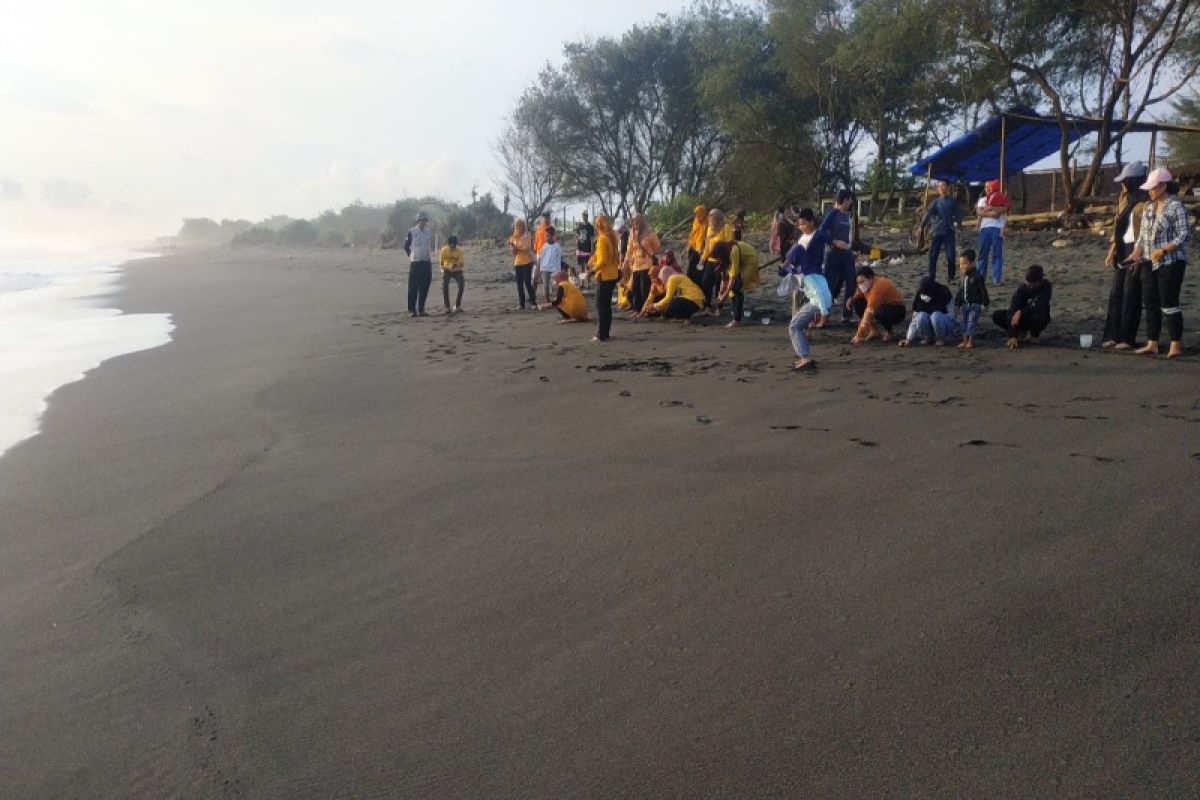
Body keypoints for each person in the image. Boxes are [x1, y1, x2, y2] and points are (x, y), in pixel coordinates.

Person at [1129, 168, 1190, 359]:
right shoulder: (1149, 207)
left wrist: (1163, 250)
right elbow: (1142, 236)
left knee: (1169, 301)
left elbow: (1184, 234)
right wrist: (1135, 254)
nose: (1150, 192)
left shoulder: (1175, 206)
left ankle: (1175, 344)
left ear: (1164, 186)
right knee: (1151, 302)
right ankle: (1152, 342)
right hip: (1148, 261)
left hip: (1171, 261)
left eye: (1153, 188)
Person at [1102, 163, 1148, 349]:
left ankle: (1126, 337)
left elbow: (1145, 231)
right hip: (1122, 247)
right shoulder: (1125, 199)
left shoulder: (1146, 201)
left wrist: (1139, 254)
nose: (1122, 185)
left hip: (1136, 248)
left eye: (1124, 181)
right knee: (1116, 293)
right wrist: (1111, 252)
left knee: (1131, 294)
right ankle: (1112, 334)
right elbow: (1117, 228)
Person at [993, 264, 1052, 349]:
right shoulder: (1022, 290)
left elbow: (1041, 305)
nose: (1030, 287)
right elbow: (1013, 308)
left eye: (1032, 284)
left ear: (1039, 282)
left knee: (1041, 316)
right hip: (1020, 319)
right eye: (1028, 284)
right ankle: (1019, 333)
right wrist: (1012, 335)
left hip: (1035, 316)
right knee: (998, 315)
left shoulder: (1046, 286)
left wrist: (1021, 312)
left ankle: (1034, 334)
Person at [820, 190, 857, 322]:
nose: (851, 202)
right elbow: (821, 231)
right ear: (845, 200)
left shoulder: (847, 216)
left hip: (846, 255)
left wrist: (851, 250)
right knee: (829, 284)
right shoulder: (832, 214)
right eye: (850, 200)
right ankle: (823, 314)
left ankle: (847, 314)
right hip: (833, 254)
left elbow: (847, 238)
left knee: (852, 282)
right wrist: (834, 241)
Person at [848, 265, 905, 344]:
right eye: (858, 283)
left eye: (862, 282)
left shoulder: (878, 288)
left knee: (883, 313)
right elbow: (859, 293)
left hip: (896, 308)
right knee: (858, 302)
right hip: (877, 306)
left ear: (870, 278)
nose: (860, 285)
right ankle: (873, 331)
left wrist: (859, 335)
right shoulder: (866, 285)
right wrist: (852, 299)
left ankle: (889, 332)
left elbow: (868, 314)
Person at [920, 180, 962, 282]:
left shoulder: (952, 201)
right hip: (936, 232)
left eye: (943, 185)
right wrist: (921, 227)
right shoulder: (935, 202)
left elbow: (958, 215)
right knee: (933, 255)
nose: (941, 188)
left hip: (949, 231)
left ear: (948, 187)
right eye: (939, 186)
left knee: (951, 255)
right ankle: (931, 276)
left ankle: (951, 277)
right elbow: (928, 215)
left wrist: (960, 227)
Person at [714, 239, 760, 328]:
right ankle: (736, 317)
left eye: (718, 257)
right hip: (741, 260)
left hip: (749, 260)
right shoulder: (725, 256)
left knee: (737, 287)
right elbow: (724, 277)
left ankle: (736, 320)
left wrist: (725, 295)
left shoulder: (733, 251)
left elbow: (732, 277)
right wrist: (720, 292)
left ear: (722, 254)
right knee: (733, 287)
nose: (717, 259)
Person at [900, 275, 956, 347]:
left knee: (935, 316)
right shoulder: (919, 296)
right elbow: (915, 319)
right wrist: (909, 339)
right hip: (928, 327)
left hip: (944, 325)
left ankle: (941, 338)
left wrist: (934, 318)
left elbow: (951, 316)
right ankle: (927, 337)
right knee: (921, 316)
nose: (924, 295)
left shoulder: (944, 293)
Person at [588, 215, 620, 341]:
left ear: (598, 226)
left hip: (605, 275)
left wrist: (592, 270)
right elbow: (612, 256)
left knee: (601, 305)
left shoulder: (602, 239)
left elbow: (603, 260)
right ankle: (606, 332)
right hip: (613, 274)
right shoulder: (612, 237)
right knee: (606, 306)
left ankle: (601, 334)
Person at [622, 213, 660, 316]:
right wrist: (626, 261)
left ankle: (646, 309)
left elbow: (657, 246)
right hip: (635, 265)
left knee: (645, 288)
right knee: (635, 288)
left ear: (641, 221)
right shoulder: (632, 233)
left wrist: (648, 252)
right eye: (633, 221)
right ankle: (637, 310)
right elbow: (629, 250)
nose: (635, 223)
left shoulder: (649, 232)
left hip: (647, 264)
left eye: (637, 221)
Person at [952, 249, 989, 349]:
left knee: (971, 322)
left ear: (971, 263)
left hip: (975, 305)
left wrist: (986, 304)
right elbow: (960, 292)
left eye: (965, 263)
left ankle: (970, 341)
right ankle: (964, 341)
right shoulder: (963, 278)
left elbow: (983, 291)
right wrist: (957, 304)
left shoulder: (977, 276)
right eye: (960, 264)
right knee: (963, 322)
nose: (962, 266)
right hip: (964, 305)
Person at [976, 179, 1010, 284]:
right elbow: (979, 213)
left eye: (989, 186)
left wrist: (991, 208)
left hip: (997, 228)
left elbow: (1003, 211)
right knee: (982, 253)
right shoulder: (982, 200)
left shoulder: (1000, 197)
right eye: (986, 187)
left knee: (997, 254)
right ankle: (981, 277)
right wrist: (992, 213)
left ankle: (996, 278)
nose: (988, 188)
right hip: (984, 228)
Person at [700, 208, 733, 311]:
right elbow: (707, 246)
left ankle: (719, 306)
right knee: (706, 283)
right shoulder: (710, 229)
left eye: (712, 219)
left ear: (718, 219)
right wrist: (702, 259)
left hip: (721, 260)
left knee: (720, 285)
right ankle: (707, 306)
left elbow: (729, 244)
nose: (710, 221)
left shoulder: (725, 227)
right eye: (709, 219)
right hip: (710, 260)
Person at [641, 270, 705, 322]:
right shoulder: (676, 277)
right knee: (670, 304)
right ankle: (683, 317)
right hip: (696, 302)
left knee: (672, 304)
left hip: (692, 300)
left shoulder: (672, 279)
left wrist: (655, 305)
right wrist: (643, 310)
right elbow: (650, 298)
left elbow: (668, 298)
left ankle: (680, 317)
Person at [403, 211, 435, 317]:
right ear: (418, 221)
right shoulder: (411, 231)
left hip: (426, 262)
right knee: (413, 288)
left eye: (425, 220)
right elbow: (406, 246)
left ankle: (421, 309)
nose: (423, 222)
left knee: (425, 287)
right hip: (416, 263)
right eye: (421, 220)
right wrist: (412, 255)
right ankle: (412, 310)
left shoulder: (428, 232)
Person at [509, 218, 537, 310]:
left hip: (526, 261)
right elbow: (513, 253)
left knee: (527, 282)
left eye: (519, 226)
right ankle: (522, 304)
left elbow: (527, 247)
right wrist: (513, 249)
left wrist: (517, 247)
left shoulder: (527, 235)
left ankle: (533, 301)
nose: (518, 228)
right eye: (517, 226)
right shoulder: (514, 236)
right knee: (519, 284)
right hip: (517, 262)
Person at [438, 234, 465, 314]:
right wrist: (448, 267)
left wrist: (455, 265)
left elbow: (462, 263)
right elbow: (441, 264)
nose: (453, 248)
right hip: (447, 270)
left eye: (454, 246)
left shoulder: (459, 251)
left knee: (461, 284)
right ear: (448, 244)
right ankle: (447, 307)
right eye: (451, 246)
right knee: (445, 286)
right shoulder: (443, 250)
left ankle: (457, 305)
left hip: (457, 270)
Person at [537, 226, 563, 306]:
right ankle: (547, 300)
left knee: (555, 285)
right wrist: (540, 269)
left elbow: (559, 259)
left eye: (547, 236)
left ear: (552, 236)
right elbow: (542, 257)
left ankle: (556, 299)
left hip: (554, 268)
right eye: (545, 235)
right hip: (545, 268)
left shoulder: (557, 246)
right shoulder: (544, 246)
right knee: (545, 285)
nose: (546, 237)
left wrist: (558, 270)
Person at [686, 204, 708, 285]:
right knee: (690, 268)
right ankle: (690, 285)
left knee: (699, 269)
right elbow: (693, 234)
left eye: (699, 216)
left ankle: (698, 287)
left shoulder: (708, 222)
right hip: (693, 247)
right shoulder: (695, 221)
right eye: (696, 216)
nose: (698, 218)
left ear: (703, 214)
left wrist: (703, 248)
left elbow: (708, 237)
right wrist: (688, 245)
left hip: (701, 250)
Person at [532, 211, 552, 295]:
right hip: (539, 255)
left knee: (546, 278)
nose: (545, 218)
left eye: (547, 217)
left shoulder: (552, 229)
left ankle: (546, 298)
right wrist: (534, 255)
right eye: (544, 217)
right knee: (535, 276)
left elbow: (554, 241)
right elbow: (536, 242)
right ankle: (532, 295)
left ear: (549, 218)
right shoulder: (539, 229)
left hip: (548, 255)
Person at [575, 211, 595, 287]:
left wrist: (592, 248)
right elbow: (576, 233)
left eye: (586, 215)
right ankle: (582, 283)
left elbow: (592, 238)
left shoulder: (590, 227)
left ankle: (588, 283)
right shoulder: (579, 225)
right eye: (583, 215)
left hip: (587, 248)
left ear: (587, 216)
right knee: (581, 266)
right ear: (582, 216)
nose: (584, 217)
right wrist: (577, 240)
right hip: (580, 248)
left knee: (587, 265)